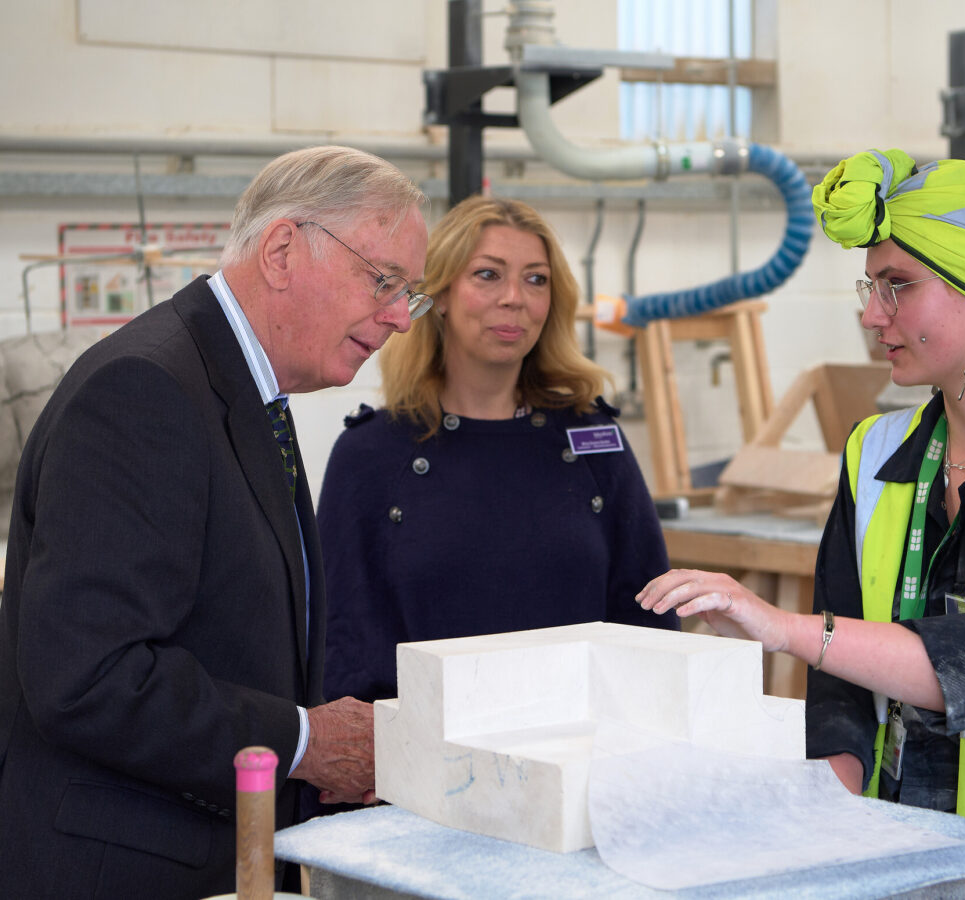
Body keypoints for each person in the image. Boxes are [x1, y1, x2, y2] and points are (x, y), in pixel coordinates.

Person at [637, 149, 965, 898]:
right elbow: (842, 676)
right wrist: (830, 798)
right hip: (908, 871)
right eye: (872, 287)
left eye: (897, 287)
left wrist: (782, 627)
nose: (870, 315)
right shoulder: (875, 454)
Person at [0, 145, 429, 899]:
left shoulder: (242, 387)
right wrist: (302, 742)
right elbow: (89, 676)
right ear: (284, 250)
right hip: (122, 868)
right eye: (383, 280)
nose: (398, 316)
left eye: (409, 294)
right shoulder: (146, 390)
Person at [317, 195, 677, 709]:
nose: (514, 298)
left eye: (536, 279)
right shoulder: (371, 454)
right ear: (439, 294)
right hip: (425, 764)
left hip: (582, 755)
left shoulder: (596, 442)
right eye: (488, 275)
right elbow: (340, 648)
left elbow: (650, 620)